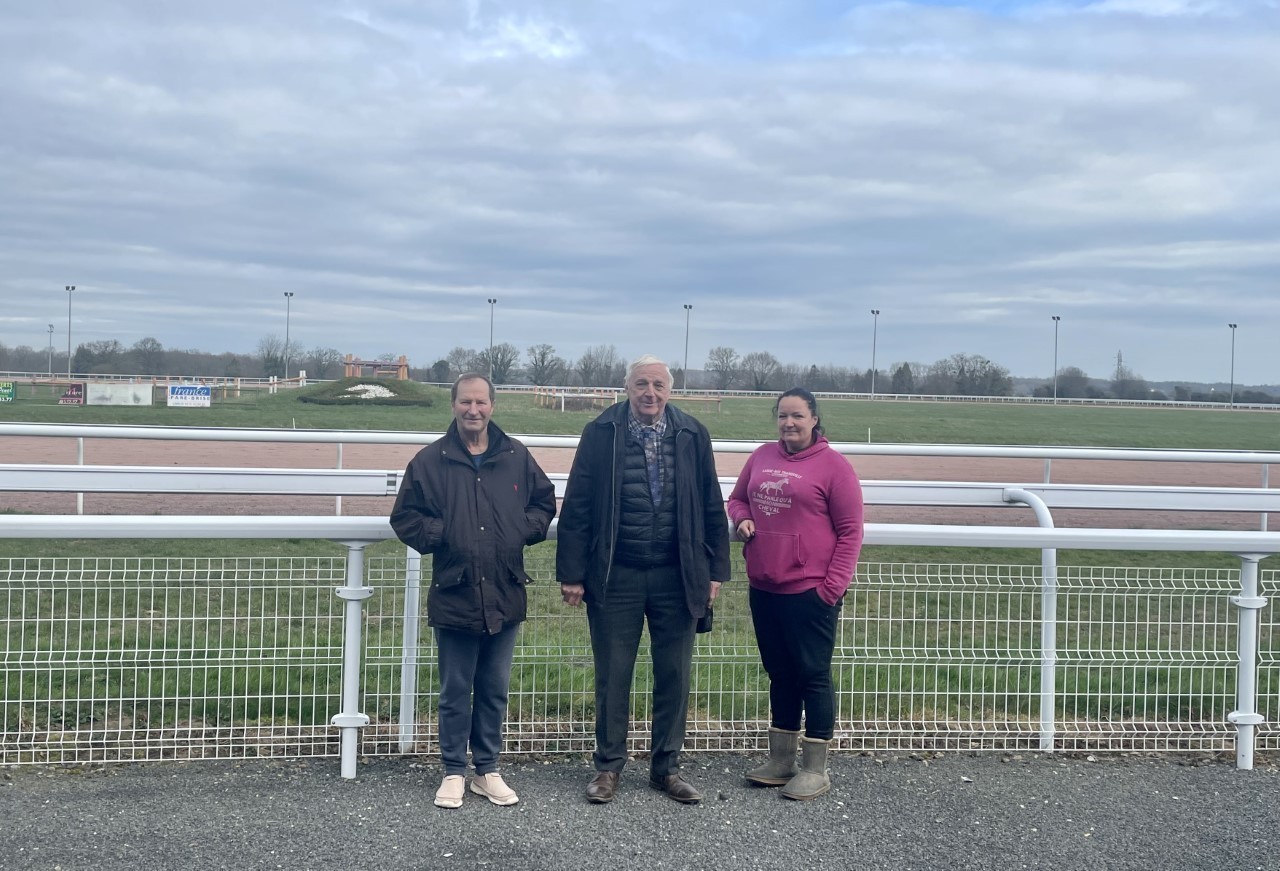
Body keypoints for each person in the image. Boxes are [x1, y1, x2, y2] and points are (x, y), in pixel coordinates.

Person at [557, 355, 731, 804]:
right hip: (616, 575)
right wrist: (572, 573)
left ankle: (665, 769)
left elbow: (711, 504)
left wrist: (715, 570)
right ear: (627, 388)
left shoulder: (692, 433)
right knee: (613, 675)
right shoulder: (601, 432)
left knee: (674, 674)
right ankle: (608, 767)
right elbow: (577, 504)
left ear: (669, 390)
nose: (649, 393)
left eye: (657, 385)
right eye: (641, 384)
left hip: (678, 575)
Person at [390, 373, 556, 809]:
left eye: (481, 402)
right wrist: (443, 534)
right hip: (455, 590)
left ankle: (487, 769)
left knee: (494, 688)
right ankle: (452, 770)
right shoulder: (430, 461)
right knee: (455, 689)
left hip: (505, 589)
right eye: (466, 402)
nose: (473, 410)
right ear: (454, 405)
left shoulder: (515, 455)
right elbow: (404, 517)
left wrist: (523, 529)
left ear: (492, 406)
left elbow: (544, 501)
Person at [726, 387, 864, 800]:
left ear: (814, 419)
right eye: (783, 416)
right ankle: (781, 760)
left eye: (798, 416)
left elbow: (851, 532)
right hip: (764, 586)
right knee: (780, 673)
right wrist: (743, 517)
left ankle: (815, 768)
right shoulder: (761, 456)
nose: (789, 423)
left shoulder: (835, 467)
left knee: (812, 675)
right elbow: (737, 499)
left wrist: (830, 589)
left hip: (810, 591)